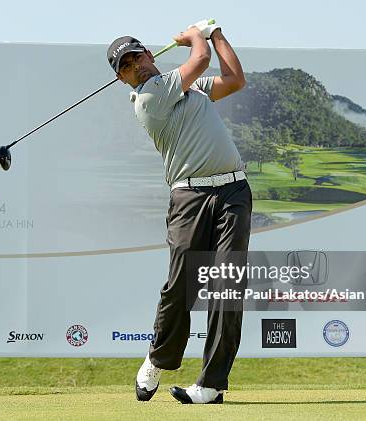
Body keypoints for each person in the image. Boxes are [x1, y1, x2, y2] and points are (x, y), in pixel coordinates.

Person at [107, 20, 252, 404]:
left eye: (137, 56)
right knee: (181, 284)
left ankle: (211, 384)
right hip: (189, 197)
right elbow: (200, 59)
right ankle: (157, 358)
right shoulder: (149, 96)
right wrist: (195, 37)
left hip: (234, 191)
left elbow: (235, 79)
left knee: (227, 286)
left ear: (150, 55)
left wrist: (217, 34)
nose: (135, 65)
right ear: (123, 80)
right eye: (125, 66)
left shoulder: (188, 90)